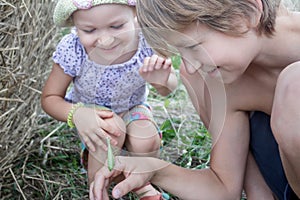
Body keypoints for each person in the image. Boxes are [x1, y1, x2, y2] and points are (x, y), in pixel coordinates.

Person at [89, 0, 300, 199]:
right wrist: (152, 169)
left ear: (249, 12)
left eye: (193, 46)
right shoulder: (222, 81)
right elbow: (223, 188)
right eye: (180, 53)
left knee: (293, 86)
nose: (190, 65)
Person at [41, 0, 177, 199]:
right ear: (74, 25)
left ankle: (141, 179)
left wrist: (162, 80)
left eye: (116, 26)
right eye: (89, 30)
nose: (105, 40)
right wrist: (77, 114)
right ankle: (99, 189)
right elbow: (50, 98)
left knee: (145, 138)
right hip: (92, 113)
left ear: (135, 13)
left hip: (133, 107)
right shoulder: (74, 50)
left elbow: (169, 88)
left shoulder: (147, 40)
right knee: (111, 132)